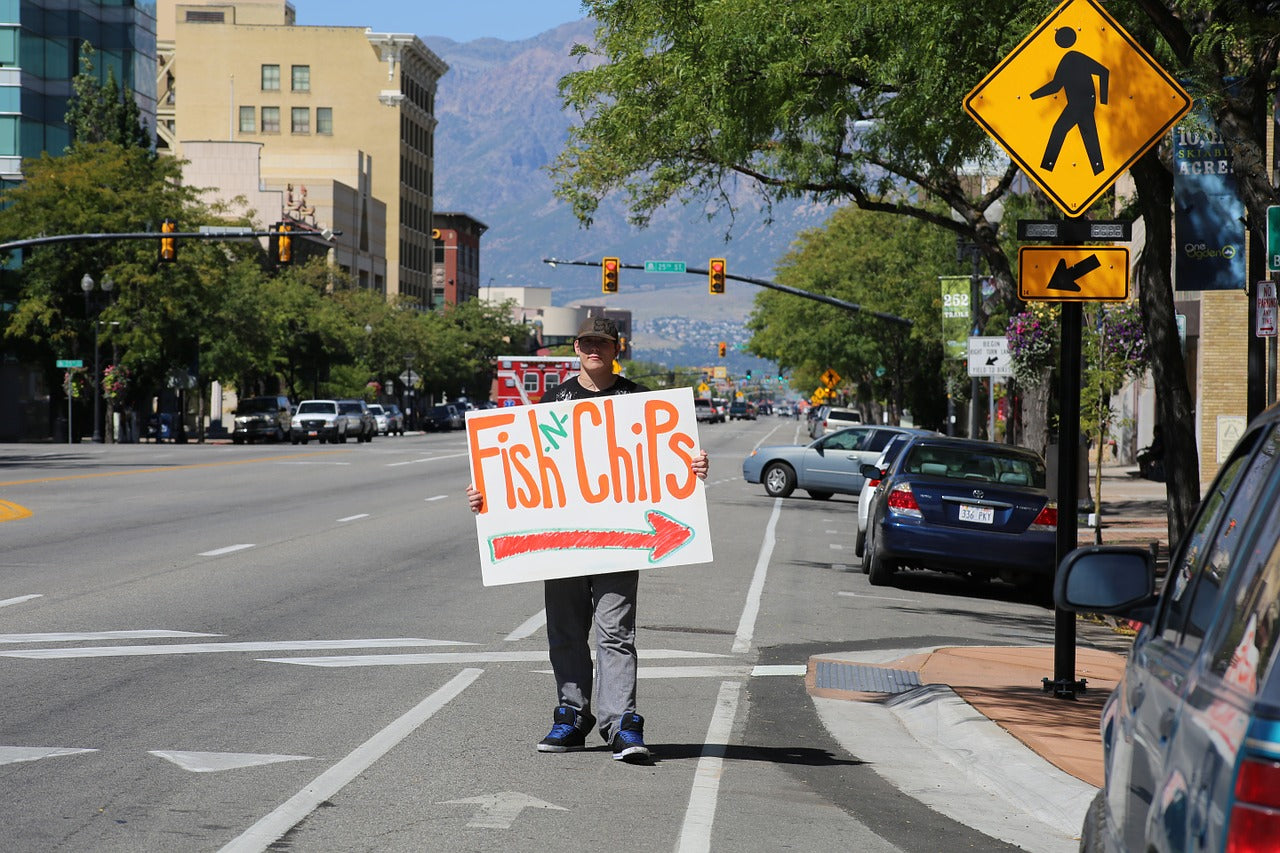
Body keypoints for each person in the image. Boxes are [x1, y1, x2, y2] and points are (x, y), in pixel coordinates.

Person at [467, 316, 709, 764]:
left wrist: (692, 468)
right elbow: (522, 465)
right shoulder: (552, 401)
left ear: (618, 349)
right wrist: (486, 494)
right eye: (585, 342)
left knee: (614, 631)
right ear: (575, 347)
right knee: (565, 629)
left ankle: (620, 723)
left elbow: (667, 461)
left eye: (602, 342)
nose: (593, 349)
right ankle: (573, 716)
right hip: (561, 541)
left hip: (622, 540)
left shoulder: (639, 399)